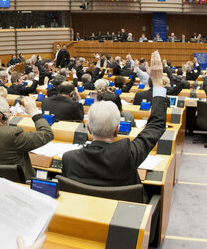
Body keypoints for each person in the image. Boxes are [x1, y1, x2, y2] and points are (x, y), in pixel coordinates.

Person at [61, 50, 166, 192]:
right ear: (117, 129)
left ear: (89, 129)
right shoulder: (127, 154)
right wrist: (158, 83)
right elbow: (156, 125)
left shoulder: (69, 159)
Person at [0, 96, 53, 179]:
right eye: (9, 113)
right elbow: (47, 133)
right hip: (17, 186)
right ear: (3, 117)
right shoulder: (13, 135)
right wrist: (34, 113)